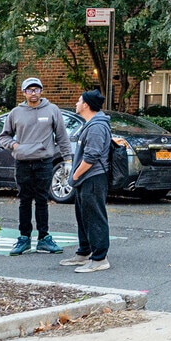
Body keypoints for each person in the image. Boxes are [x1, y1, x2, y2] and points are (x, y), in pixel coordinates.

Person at [0, 77, 71, 254]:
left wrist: (67, 159)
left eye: (36, 90)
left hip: (43, 161)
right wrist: (14, 145)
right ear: (24, 93)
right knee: (24, 200)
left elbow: (62, 136)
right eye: (30, 90)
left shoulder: (52, 110)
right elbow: (4, 136)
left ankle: (44, 238)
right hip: (23, 162)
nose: (33, 93)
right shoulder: (16, 112)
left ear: (41, 91)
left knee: (42, 200)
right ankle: (24, 238)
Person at [62, 90, 112, 274]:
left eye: (79, 100)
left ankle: (99, 258)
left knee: (95, 217)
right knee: (83, 216)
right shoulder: (91, 124)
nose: (76, 103)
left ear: (86, 105)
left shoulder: (97, 126)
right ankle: (84, 252)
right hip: (86, 178)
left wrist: (75, 176)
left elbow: (92, 156)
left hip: (93, 177)